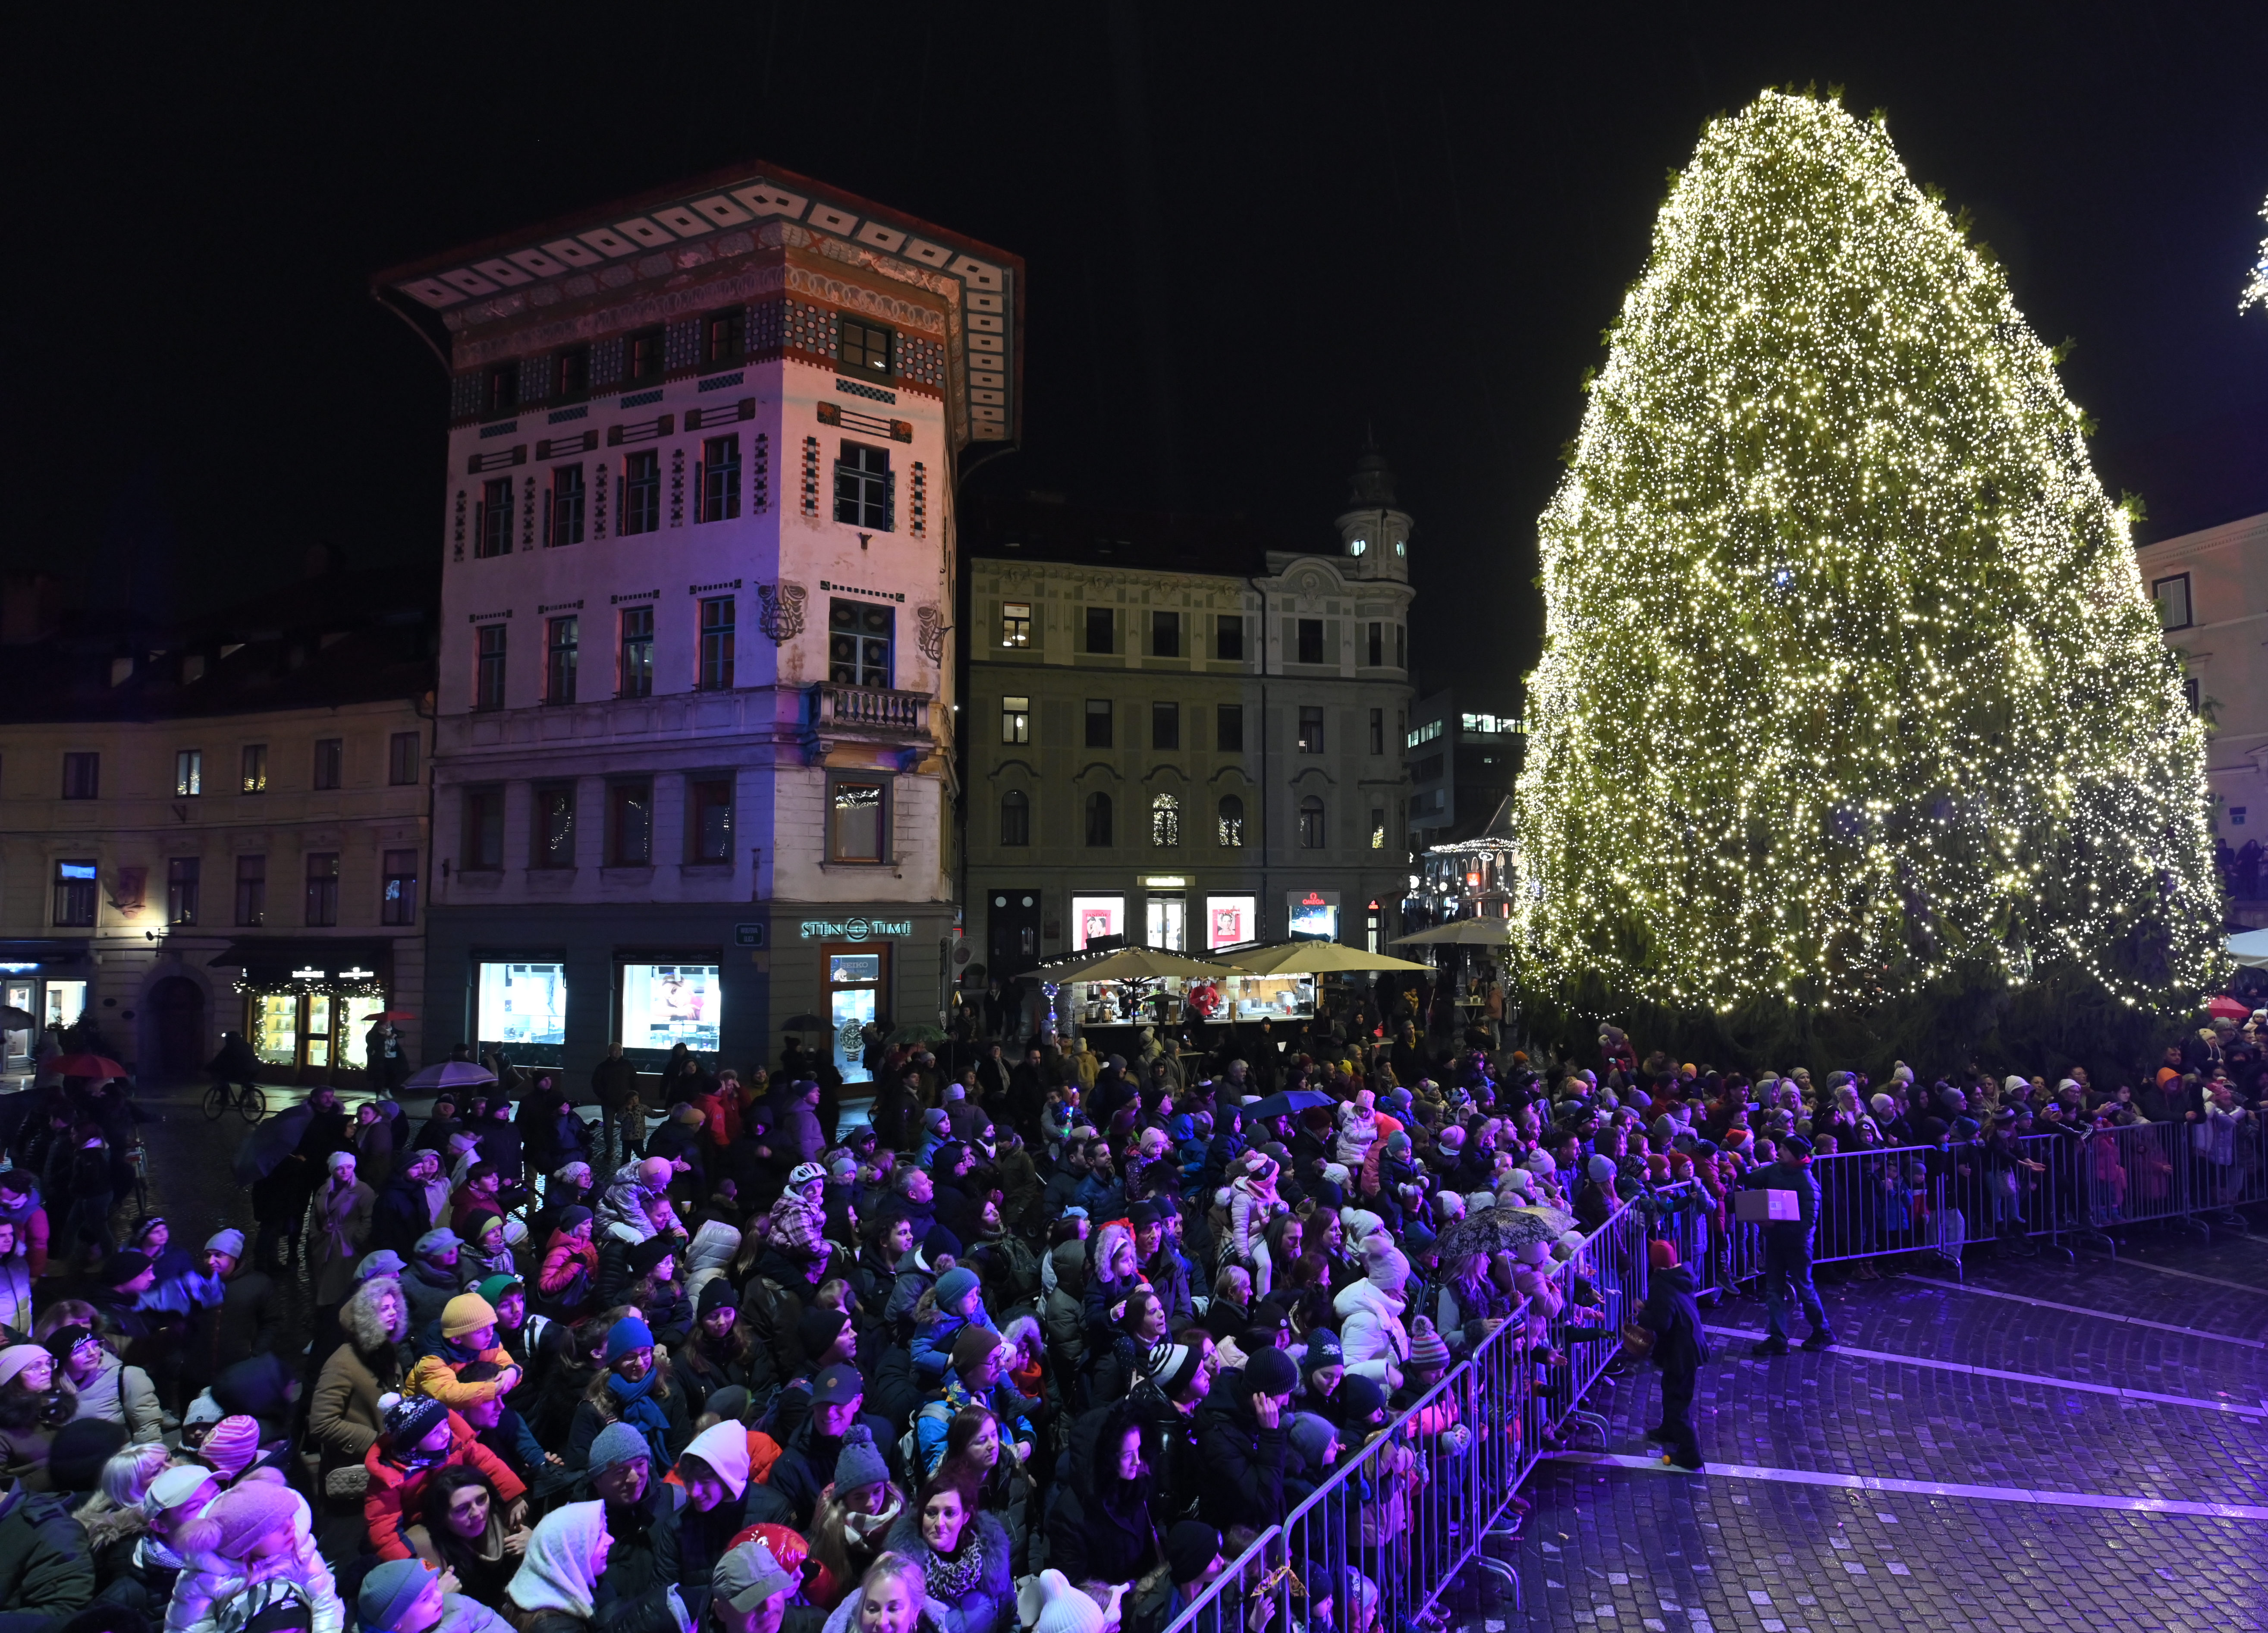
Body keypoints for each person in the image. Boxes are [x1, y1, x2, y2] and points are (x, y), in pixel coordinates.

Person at [166, 1478, 346, 1633]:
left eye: (290, 1516)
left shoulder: (300, 1551)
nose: (291, 1527)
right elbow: (188, 1628)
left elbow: (325, 1603)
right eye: (275, 1527)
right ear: (244, 1543)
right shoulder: (204, 1580)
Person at [1044, 1402, 1156, 1589]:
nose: (1138, 1461)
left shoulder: (1136, 1484)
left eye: (1138, 1449)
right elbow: (1072, 1587)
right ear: (1107, 1459)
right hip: (1108, 1611)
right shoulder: (1069, 1514)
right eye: (1128, 1455)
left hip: (1141, 1593)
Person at [880, 1480, 1011, 1633]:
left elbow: (1010, 1622)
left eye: (950, 1513)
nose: (939, 1523)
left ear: (965, 1517)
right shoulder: (902, 1575)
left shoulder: (990, 1563)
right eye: (931, 1513)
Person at [1741, 1136, 1834, 1354]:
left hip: (1797, 1246)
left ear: (1797, 1154)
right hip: (1775, 1241)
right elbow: (1750, 1180)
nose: (1779, 1152)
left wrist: (1774, 1225)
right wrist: (1739, 1163)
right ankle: (1778, 1338)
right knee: (1773, 1290)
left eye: (1783, 1148)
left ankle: (1823, 1331)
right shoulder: (1775, 1170)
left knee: (1804, 1288)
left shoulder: (1807, 1183)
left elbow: (1808, 1223)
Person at [1628, 1239, 1707, 1472]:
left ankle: (1691, 1454)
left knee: (1677, 1401)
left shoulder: (1661, 1284)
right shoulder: (1681, 1276)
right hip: (1690, 1346)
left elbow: (1663, 1322)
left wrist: (1641, 1316)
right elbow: (1670, 1306)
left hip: (1681, 1351)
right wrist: (1649, 1307)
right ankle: (1669, 1430)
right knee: (1671, 1389)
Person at [356, 1556, 518, 1633]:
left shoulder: (458, 1607)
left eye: (435, 1588)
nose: (439, 1596)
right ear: (396, 1623)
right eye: (425, 1598)